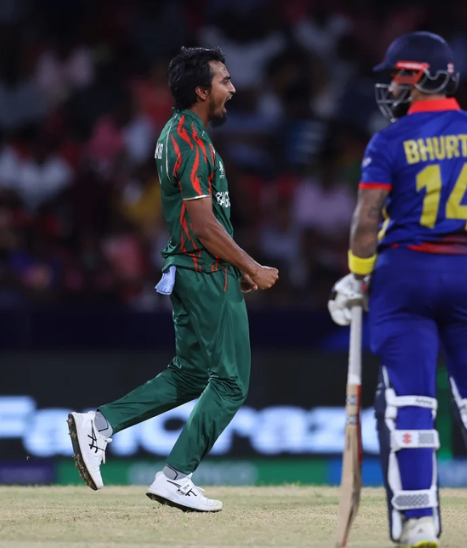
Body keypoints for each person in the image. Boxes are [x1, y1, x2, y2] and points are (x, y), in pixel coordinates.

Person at [328, 32, 467, 547]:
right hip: (464, 273)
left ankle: (419, 522)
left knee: (410, 397)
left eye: (397, 77)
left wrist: (358, 274)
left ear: (421, 76)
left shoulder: (389, 140)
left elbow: (366, 221)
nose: (392, 87)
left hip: (402, 276)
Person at [67, 47, 279, 512]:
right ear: (202, 90)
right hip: (204, 270)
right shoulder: (191, 142)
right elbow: (203, 225)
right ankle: (175, 476)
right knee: (231, 383)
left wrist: (234, 264)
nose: (233, 89)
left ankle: (99, 425)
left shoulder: (176, 133)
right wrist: (250, 267)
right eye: (224, 80)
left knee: (191, 375)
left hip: (191, 269)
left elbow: (201, 223)